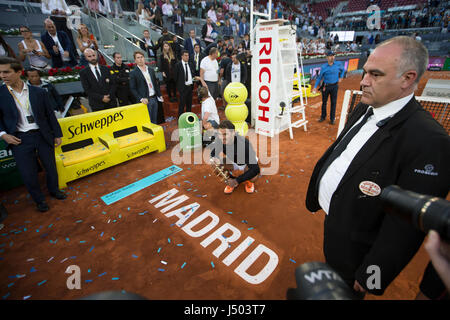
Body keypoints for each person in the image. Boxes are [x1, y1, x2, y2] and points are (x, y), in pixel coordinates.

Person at [305, 36, 450, 298]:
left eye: (375, 74)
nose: (363, 81)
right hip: (337, 221)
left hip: (358, 247)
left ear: (407, 79)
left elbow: (406, 226)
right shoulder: (365, 106)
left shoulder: (430, 141)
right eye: (365, 72)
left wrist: (374, 272)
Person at [0, 57, 66, 212]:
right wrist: (3, 135)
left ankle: (54, 191)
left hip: (42, 135)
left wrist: (57, 134)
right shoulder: (0, 94)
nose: (2, 76)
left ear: (18, 72)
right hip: (19, 139)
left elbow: (49, 114)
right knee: (28, 173)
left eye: (6, 72)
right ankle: (39, 200)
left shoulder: (39, 92)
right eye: (0, 73)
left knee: (50, 167)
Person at [209, 120, 260, 194]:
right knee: (216, 166)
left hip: (247, 163)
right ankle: (231, 181)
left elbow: (255, 168)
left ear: (233, 133)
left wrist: (237, 180)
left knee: (253, 177)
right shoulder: (220, 140)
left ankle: (247, 182)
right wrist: (213, 158)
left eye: (225, 134)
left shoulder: (244, 144)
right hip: (234, 161)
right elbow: (213, 153)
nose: (222, 137)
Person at [129, 51, 163, 124]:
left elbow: (155, 84)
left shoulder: (150, 70)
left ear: (144, 58)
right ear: (135, 60)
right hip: (144, 101)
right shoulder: (133, 73)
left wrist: (159, 94)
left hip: (154, 98)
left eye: (141, 57)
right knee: (147, 122)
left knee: (155, 121)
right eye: (138, 58)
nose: (140, 59)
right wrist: (141, 99)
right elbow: (132, 88)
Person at [312, 50, 345, 125]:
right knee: (324, 102)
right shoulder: (324, 67)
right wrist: (314, 87)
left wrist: (341, 77)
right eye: (330, 56)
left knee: (333, 103)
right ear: (327, 57)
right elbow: (319, 78)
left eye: (333, 56)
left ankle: (332, 118)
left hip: (335, 87)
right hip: (326, 87)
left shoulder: (338, 64)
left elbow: (343, 70)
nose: (332, 57)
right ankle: (323, 117)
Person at [174, 50, 195, 117]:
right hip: (183, 87)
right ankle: (180, 118)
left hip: (190, 87)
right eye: (185, 55)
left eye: (188, 55)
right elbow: (175, 77)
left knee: (189, 104)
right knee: (182, 105)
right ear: (182, 56)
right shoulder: (178, 65)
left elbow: (192, 74)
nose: (187, 57)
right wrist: (179, 87)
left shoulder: (191, 64)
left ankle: (189, 118)